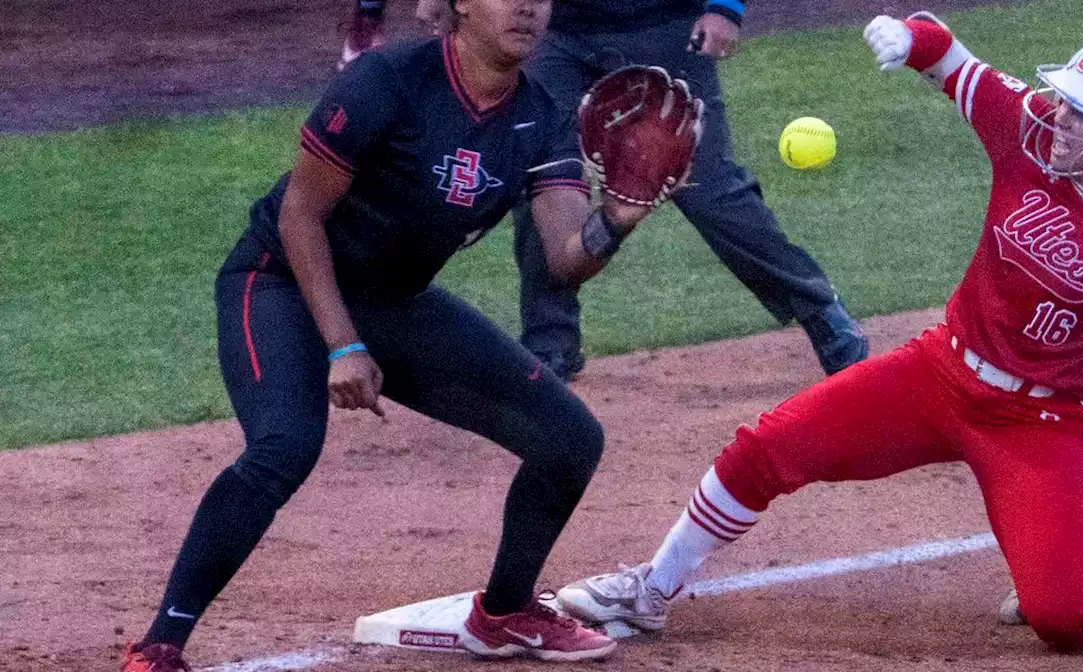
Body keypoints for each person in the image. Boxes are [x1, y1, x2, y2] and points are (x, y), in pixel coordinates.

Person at [554, 13, 1083, 652]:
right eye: (1067, 99)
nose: (1063, 116)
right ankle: (648, 590)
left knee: (1065, 622)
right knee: (766, 447)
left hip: (1038, 422)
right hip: (940, 374)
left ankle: (1081, 569)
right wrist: (908, 37)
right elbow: (954, 62)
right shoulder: (1030, 131)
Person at [121, 0, 672, 668]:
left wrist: (617, 219)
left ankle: (504, 612)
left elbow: (564, 260)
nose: (528, 5)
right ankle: (159, 645)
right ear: (461, 4)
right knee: (284, 446)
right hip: (278, 282)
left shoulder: (541, 117)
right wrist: (344, 344)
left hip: (395, 301)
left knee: (569, 439)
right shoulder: (387, 81)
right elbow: (301, 217)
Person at [343, 0, 871, 380]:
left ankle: (820, 312)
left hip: (668, 23)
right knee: (542, 174)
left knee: (706, 188)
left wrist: (725, 6)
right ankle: (550, 343)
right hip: (559, 31)